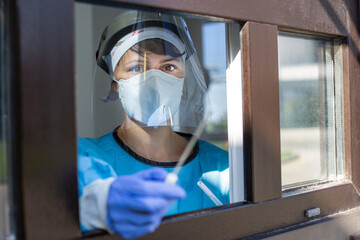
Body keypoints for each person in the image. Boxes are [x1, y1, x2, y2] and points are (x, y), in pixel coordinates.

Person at [78, 10, 229, 239]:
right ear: (115, 84)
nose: (155, 80)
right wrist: (94, 206)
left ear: (183, 79)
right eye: (137, 68)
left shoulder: (222, 168)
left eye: (168, 67)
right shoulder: (86, 157)